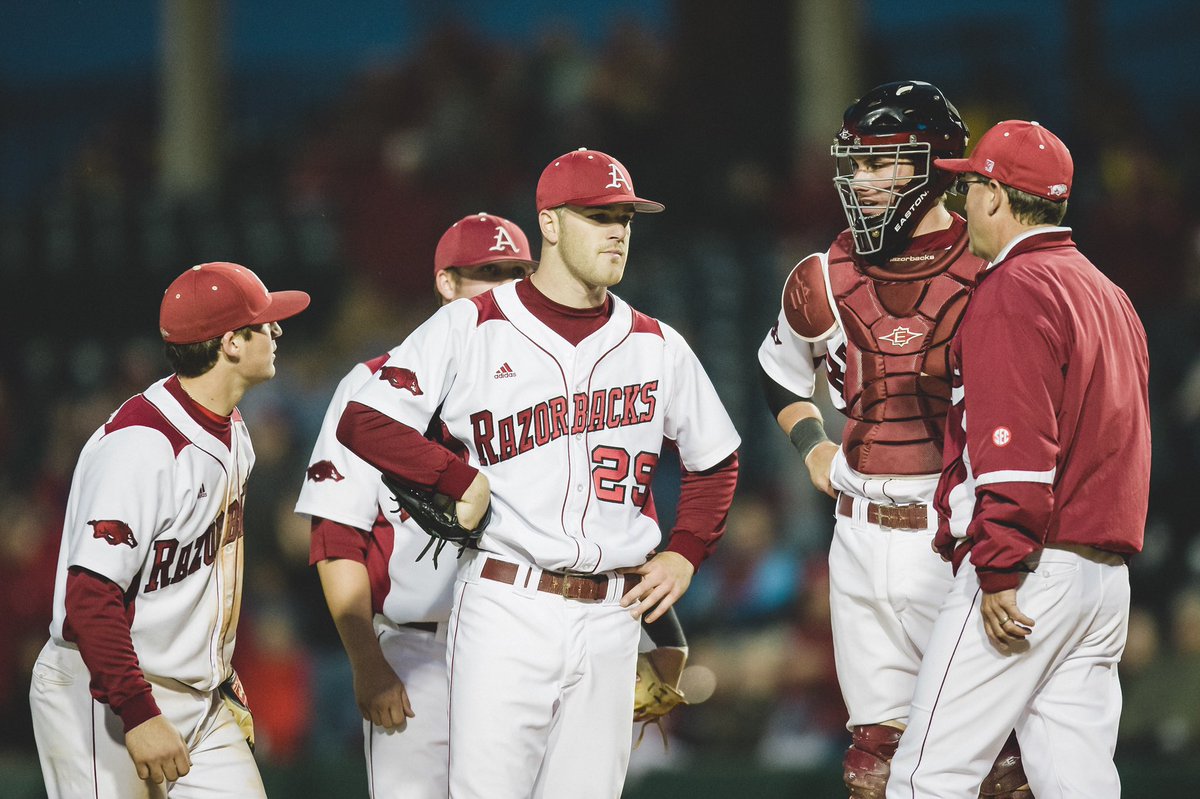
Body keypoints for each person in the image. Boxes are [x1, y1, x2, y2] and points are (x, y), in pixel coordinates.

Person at [336, 148, 741, 797]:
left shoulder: (657, 344)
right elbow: (364, 420)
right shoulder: (471, 325)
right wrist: (454, 477)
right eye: (597, 215)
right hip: (507, 601)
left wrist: (686, 552)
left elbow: (716, 460)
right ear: (549, 223)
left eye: (625, 219)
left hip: (612, 613)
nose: (616, 231)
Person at [757, 80, 1031, 797]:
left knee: (995, 760)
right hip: (856, 533)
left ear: (938, 164)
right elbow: (781, 375)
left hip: (958, 535)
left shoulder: (994, 268)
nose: (866, 180)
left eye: (887, 163)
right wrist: (814, 445)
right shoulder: (821, 273)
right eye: (859, 163)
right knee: (873, 759)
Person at [887, 120, 1151, 798]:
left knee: (926, 778)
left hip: (1030, 569)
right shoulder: (1108, 294)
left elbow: (1016, 453)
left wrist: (1001, 565)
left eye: (971, 185)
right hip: (1103, 578)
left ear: (998, 196)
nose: (965, 200)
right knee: (1078, 782)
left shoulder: (1014, 289)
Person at [29, 262, 309, 797]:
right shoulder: (142, 446)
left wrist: (216, 669)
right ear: (230, 343)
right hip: (104, 692)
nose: (276, 330)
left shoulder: (234, 430)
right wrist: (137, 713)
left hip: (197, 700)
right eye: (263, 323)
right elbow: (89, 597)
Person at [294, 212, 536, 798]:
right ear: (446, 285)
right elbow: (336, 534)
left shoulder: (551, 385)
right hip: (415, 647)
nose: (504, 287)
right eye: (486, 273)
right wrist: (365, 660)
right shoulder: (373, 387)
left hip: (525, 646)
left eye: (516, 274)